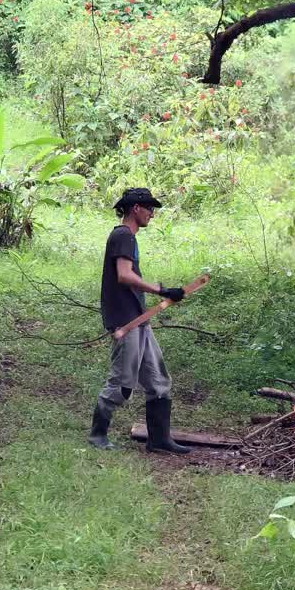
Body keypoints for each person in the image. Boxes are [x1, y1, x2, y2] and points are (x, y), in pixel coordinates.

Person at [87, 187, 191, 454]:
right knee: (122, 383)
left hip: (139, 320)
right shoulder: (123, 235)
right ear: (136, 208)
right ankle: (98, 435)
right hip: (126, 322)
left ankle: (159, 440)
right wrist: (161, 290)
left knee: (158, 382)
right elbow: (124, 275)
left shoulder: (126, 237)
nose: (152, 215)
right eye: (149, 209)